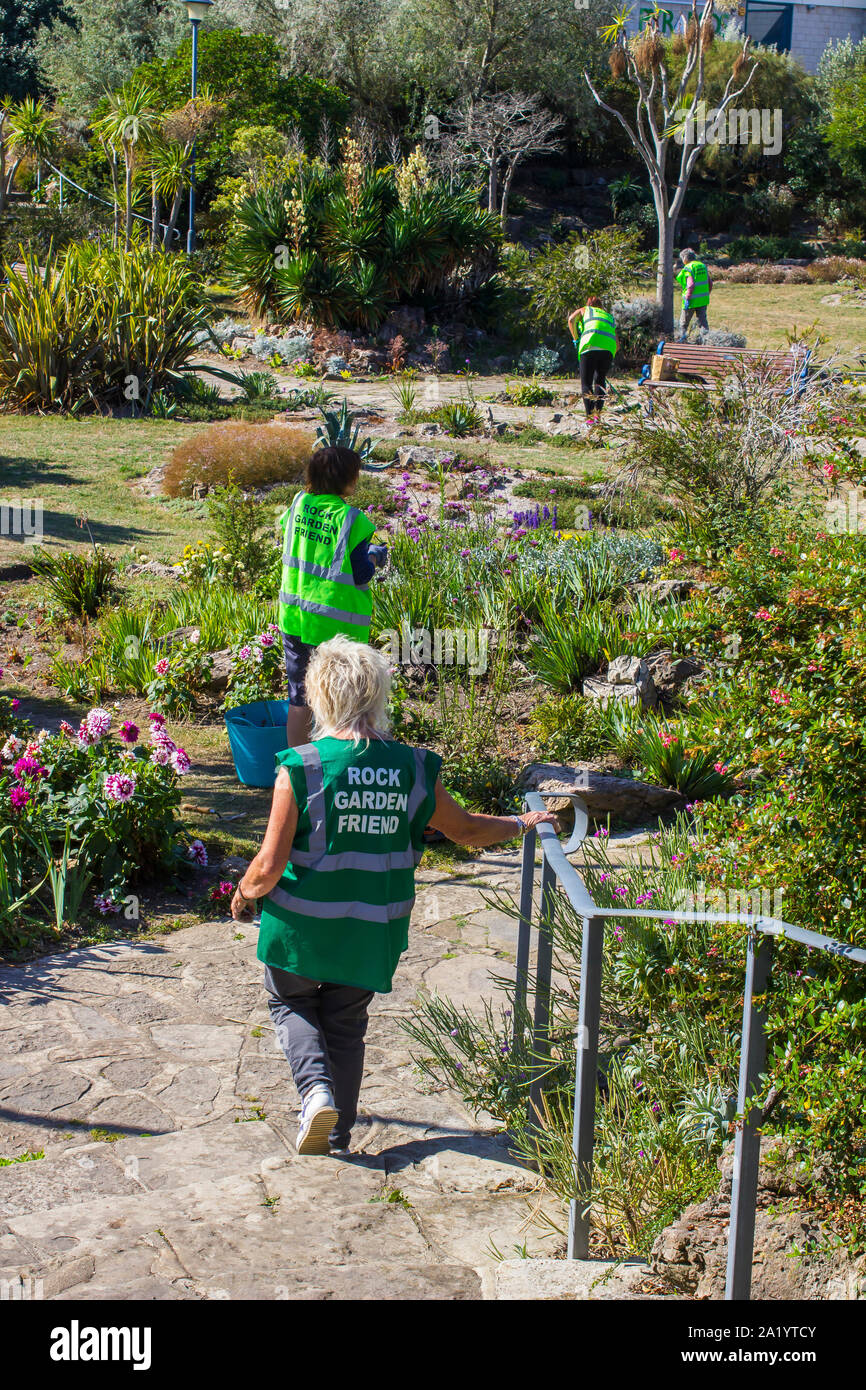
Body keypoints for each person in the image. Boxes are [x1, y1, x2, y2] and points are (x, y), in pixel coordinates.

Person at [231, 635, 556, 1156]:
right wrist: (521, 822)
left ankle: (315, 1094)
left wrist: (244, 893)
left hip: (301, 930)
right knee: (345, 1024)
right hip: (371, 930)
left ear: (320, 697)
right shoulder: (414, 767)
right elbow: (467, 831)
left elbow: (268, 867)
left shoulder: (301, 765)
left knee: (289, 1002)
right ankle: (335, 1136)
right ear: (378, 695)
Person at [277, 446, 388, 748]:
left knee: (300, 698)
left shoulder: (299, 504)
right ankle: (341, 766)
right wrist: (375, 556)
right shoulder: (351, 519)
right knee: (345, 698)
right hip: (336, 628)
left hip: (295, 618)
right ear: (348, 480)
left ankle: (299, 770)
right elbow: (361, 573)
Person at [566, 296, 618, 427]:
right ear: (601, 306)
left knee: (586, 383)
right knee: (600, 381)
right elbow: (617, 344)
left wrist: (576, 339)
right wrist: (609, 355)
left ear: (588, 304)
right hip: (608, 348)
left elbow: (571, 320)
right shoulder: (608, 316)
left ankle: (589, 419)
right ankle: (597, 417)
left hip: (589, 344)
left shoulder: (585, 310)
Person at [675, 248, 713, 342]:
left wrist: (688, 296)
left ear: (684, 259)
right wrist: (707, 294)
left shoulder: (688, 268)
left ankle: (681, 340)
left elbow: (690, 284)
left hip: (691, 300)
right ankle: (706, 341)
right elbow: (710, 283)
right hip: (703, 300)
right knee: (702, 322)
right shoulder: (702, 266)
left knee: (683, 323)